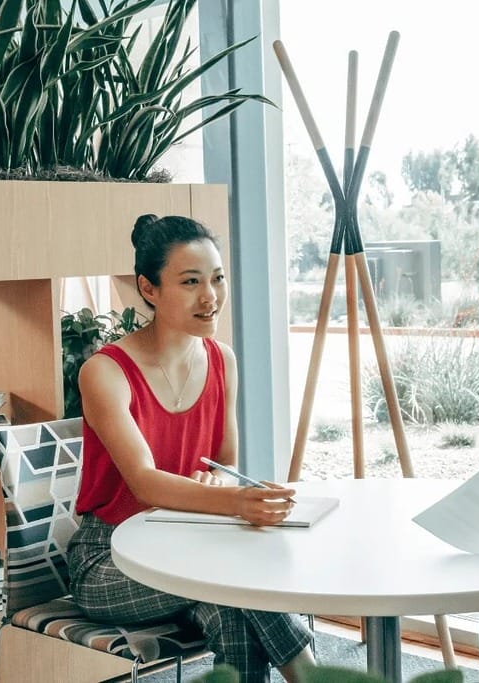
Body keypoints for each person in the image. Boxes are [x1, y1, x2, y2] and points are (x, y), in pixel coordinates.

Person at [66, 214, 315, 683]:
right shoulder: (105, 372)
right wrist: (236, 501)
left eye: (218, 279)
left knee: (231, 607)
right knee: (236, 580)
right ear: (149, 288)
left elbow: (225, 462)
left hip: (190, 544)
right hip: (111, 559)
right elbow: (143, 481)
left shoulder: (223, 360)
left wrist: (217, 481)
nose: (211, 297)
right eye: (191, 282)